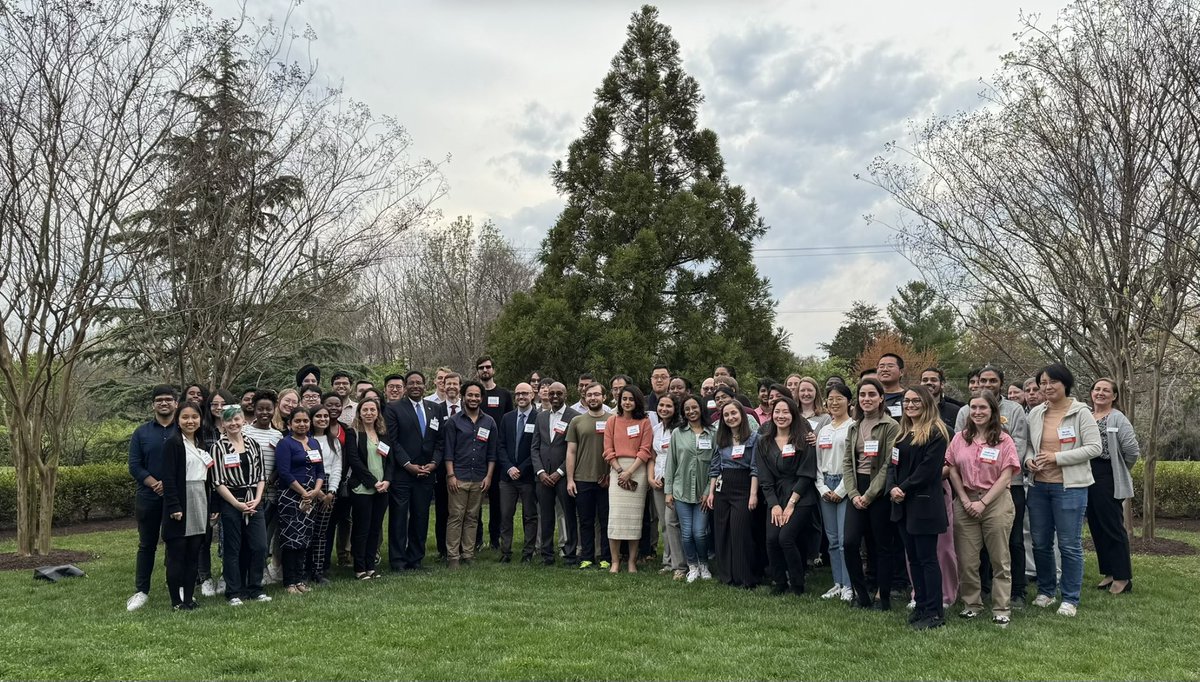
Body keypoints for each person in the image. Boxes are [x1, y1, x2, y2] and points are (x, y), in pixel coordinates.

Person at [1025, 363, 1102, 617]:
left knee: (1069, 545)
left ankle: (1070, 598)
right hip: (1039, 487)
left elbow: (1094, 448)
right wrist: (1028, 461)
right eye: (1043, 383)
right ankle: (1046, 591)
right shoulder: (1036, 413)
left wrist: (1058, 457)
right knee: (1041, 543)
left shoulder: (1081, 413)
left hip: (1070, 488)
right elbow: (1027, 446)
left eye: (1052, 382)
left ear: (1065, 383)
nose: (1047, 387)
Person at [954, 364, 1033, 605]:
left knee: (1013, 541)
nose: (987, 385)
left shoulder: (1015, 409)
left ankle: (1016, 591)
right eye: (983, 381)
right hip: (970, 491)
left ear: (1001, 382)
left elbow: (1019, 442)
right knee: (974, 548)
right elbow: (957, 451)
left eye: (992, 381)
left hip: (1007, 485)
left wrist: (998, 473)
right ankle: (982, 590)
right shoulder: (965, 411)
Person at [946, 390, 1020, 626]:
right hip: (965, 500)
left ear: (992, 411)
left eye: (983, 408)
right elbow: (952, 469)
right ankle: (972, 603)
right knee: (967, 560)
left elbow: (1007, 474)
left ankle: (1001, 607)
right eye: (973, 408)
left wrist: (983, 502)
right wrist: (966, 501)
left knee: (999, 558)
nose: (977, 412)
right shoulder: (960, 438)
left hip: (995, 502)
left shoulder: (1004, 439)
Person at [888, 385, 951, 630]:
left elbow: (927, 470)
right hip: (902, 504)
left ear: (926, 403)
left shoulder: (936, 433)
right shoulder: (902, 433)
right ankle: (921, 604)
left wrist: (902, 488)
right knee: (913, 559)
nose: (910, 405)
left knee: (927, 559)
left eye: (916, 401)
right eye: (907, 401)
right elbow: (892, 464)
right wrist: (892, 486)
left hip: (923, 504)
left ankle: (934, 612)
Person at [841, 377, 901, 610]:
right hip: (856, 488)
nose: (866, 399)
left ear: (881, 399)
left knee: (882, 545)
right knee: (849, 542)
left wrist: (870, 494)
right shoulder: (854, 427)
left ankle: (882, 596)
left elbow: (889, 463)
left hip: (880, 490)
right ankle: (861, 593)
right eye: (862, 395)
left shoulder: (891, 426)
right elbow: (848, 462)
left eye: (871, 395)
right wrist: (854, 492)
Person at [126, 385, 180, 611]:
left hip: (177, 497)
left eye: (168, 399)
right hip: (148, 496)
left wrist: (169, 486)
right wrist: (154, 483)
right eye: (159, 400)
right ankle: (141, 591)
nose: (164, 403)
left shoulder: (184, 429)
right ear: (153, 405)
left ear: (176, 403)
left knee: (175, 544)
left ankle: (176, 587)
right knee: (147, 544)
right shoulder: (142, 432)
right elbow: (135, 465)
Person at [210, 405, 270, 605]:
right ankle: (234, 592)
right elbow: (217, 481)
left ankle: (255, 588)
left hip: (254, 498)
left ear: (243, 420)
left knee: (259, 546)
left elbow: (262, 475)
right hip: (231, 500)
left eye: (237, 419)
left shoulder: (253, 444)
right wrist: (236, 504)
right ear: (223, 423)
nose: (233, 423)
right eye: (229, 420)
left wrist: (258, 498)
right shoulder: (218, 448)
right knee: (233, 548)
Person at [758, 397, 818, 595]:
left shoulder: (804, 440)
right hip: (776, 496)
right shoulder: (764, 442)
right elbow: (765, 479)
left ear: (793, 415)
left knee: (786, 538)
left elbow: (807, 474)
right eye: (777, 412)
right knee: (772, 540)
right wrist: (774, 505)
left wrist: (791, 504)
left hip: (801, 496)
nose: (781, 416)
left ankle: (797, 584)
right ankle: (779, 582)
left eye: (785, 412)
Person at [1087, 378, 1140, 595]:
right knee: (1096, 526)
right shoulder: (1086, 416)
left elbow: (1132, 451)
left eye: (1106, 390)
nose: (1100, 393)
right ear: (1091, 393)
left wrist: (1119, 469)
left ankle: (1122, 577)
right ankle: (1108, 572)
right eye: (1097, 389)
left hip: (1107, 474)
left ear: (1114, 396)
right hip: (1086, 473)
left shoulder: (1118, 418)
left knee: (1112, 526)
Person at [384, 370, 440, 571]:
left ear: (425, 386)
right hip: (403, 473)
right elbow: (393, 440)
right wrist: (408, 465)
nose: (416, 386)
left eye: (419, 382)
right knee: (399, 518)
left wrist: (434, 463)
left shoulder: (435, 409)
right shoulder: (394, 409)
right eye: (411, 383)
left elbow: (439, 441)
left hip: (426, 473)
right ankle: (398, 561)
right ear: (406, 387)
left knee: (420, 517)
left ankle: (415, 559)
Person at [160, 401, 212, 611]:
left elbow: (209, 478)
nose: (190, 421)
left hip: (200, 498)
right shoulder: (173, 443)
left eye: (194, 417)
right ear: (178, 420)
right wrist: (174, 506)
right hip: (182, 501)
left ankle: (189, 599)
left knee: (194, 553)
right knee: (177, 554)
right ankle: (176, 601)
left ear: (200, 420)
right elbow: (169, 478)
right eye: (185, 417)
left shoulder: (201, 444)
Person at [705, 400, 760, 588]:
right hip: (723, 487)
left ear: (742, 415)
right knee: (722, 531)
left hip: (744, 486)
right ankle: (727, 575)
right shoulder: (722, 439)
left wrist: (753, 495)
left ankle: (745, 576)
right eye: (726, 415)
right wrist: (711, 492)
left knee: (740, 532)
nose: (730, 418)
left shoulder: (754, 438)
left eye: (733, 413)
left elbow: (755, 468)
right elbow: (715, 467)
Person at [443, 380, 498, 569]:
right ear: (463, 397)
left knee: (473, 517)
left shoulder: (489, 422)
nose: (473, 398)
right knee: (456, 516)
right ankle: (453, 557)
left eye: (477, 396)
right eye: (470, 395)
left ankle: (468, 554)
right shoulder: (453, 422)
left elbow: (492, 453)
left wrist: (489, 477)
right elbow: (448, 451)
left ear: (481, 398)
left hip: (480, 477)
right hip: (458, 477)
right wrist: (451, 476)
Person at [602, 385, 654, 573]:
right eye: (624, 398)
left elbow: (645, 450)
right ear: (619, 400)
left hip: (637, 470)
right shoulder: (612, 421)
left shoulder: (644, 422)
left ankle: (632, 561)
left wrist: (630, 472)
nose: (627, 402)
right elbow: (607, 449)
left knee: (634, 519)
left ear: (637, 401)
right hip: (616, 470)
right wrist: (619, 470)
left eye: (631, 399)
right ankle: (615, 561)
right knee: (615, 518)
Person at [275, 407, 325, 594]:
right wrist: (304, 492)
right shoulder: (285, 444)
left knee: (305, 539)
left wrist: (316, 491)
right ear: (290, 424)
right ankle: (290, 582)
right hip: (291, 497)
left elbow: (320, 470)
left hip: (311, 498)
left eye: (305, 421)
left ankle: (301, 579)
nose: (302, 424)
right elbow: (284, 473)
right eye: (298, 421)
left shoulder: (314, 443)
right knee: (291, 540)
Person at [666, 395, 716, 582]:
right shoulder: (677, 434)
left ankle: (704, 564)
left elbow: (715, 464)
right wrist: (668, 492)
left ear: (701, 409)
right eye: (687, 409)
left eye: (694, 407)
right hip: (682, 490)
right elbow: (671, 464)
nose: (691, 411)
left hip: (704, 492)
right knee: (686, 533)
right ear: (683, 412)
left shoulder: (712, 433)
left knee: (700, 532)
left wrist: (707, 492)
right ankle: (692, 566)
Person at [531, 382, 580, 566]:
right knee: (546, 516)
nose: (554, 396)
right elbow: (535, 447)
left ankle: (570, 554)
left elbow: (574, 448)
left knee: (568, 515)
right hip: (543, 477)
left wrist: (560, 472)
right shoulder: (541, 417)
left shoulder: (574, 417)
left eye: (559, 393)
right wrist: (541, 472)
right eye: (551, 393)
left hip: (563, 476)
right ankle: (547, 554)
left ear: (566, 395)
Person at [566, 382, 613, 569]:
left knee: (605, 520)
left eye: (596, 394)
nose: (592, 398)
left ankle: (606, 557)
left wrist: (611, 475)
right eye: (589, 395)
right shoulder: (577, 421)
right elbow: (571, 452)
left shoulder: (613, 420)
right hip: (582, 478)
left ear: (604, 397)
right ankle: (587, 556)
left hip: (606, 479)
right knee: (585, 521)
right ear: (584, 398)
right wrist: (570, 479)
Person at [345, 397, 392, 579]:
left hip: (383, 488)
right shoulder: (353, 433)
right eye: (365, 410)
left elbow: (390, 460)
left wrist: (387, 481)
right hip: (363, 488)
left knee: (375, 528)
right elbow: (354, 460)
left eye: (373, 410)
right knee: (361, 528)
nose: (369, 413)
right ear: (359, 412)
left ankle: (371, 566)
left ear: (378, 412)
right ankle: (359, 568)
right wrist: (373, 482)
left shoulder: (383, 433)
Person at [816, 382, 854, 601]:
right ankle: (837, 583)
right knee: (832, 540)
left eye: (839, 398)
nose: (834, 402)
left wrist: (841, 490)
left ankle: (849, 585)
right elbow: (818, 462)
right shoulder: (824, 430)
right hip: (825, 485)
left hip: (845, 486)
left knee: (844, 539)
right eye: (831, 398)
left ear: (848, 401)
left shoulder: (853, 427)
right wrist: (821, 486)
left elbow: (854, 464)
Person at [497, 383, 540, 563]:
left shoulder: (540, 418)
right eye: (518, 394)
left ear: (532, 395)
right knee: (506, 515)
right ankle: (505, 552)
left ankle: (527, 553)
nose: (521, 397)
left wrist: (521, 469)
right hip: (507, 477)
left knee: (529, 516)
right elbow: (500, 446)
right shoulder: (507, 418)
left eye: (525, 393)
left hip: (528, 477)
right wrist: (509, 467)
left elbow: (537, 449)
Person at [476, 355, 512, 552]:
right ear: (477, 372)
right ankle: (477, 538)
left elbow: (509, 422)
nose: (485, 370)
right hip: (478, 454)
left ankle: (496, 538)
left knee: (497, 499)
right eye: (481, 367)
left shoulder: (505, 394)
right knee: (476, 499)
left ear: (493, 370)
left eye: (488, 367)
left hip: (499, 455)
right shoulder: (474, 394)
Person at [650, 395, 687, 579]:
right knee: (664, 524)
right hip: (658, 479)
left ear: (675, 408)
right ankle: (667, 561)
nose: (664, 409)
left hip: (674, 481)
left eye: (668, 406)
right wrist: (651, 478)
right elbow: (652, 456)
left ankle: (680, 564)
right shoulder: (656, 429)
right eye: (661, 405)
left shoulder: (680, 429)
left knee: (673, 522)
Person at [306, 405, 343, 585]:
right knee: (307, 530)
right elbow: (308, 468)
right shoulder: (306, 439)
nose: (322, 419)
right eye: (318, 416)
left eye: (325, 416)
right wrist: (318, 492)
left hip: (329, 489)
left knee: (321, 532)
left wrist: (331, 492)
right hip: (308, 487)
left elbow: (337, 467)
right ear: (311, 419)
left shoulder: (333, 441)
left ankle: (317, 570)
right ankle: (302, 569)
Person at [322, 392, 357, 570]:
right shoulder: (317, 428)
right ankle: (322, 563)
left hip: (342, 484)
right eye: (330, 404)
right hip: (320, 485)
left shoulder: (347, 429)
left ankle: (343, 558)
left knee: (342, 520)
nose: (334, 408)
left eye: (337, 405)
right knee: (324, 527)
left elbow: (351, 457)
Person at [430, 372, 463, 560]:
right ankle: (444, 549)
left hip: (466, 465)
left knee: (465, 509)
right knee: (443, 508)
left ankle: (467, 545)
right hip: (442, 467)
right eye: (447, 383)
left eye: (455, 384)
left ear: (460, 386)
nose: (451, 387)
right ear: (442, 385)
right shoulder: (436, 409)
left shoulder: (468, 408)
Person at [876, 353, 906, 419]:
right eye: (881, 367)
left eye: (890, 366)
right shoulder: (872, 397)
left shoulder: (907, 397)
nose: (885, 369)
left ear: (901, 372)